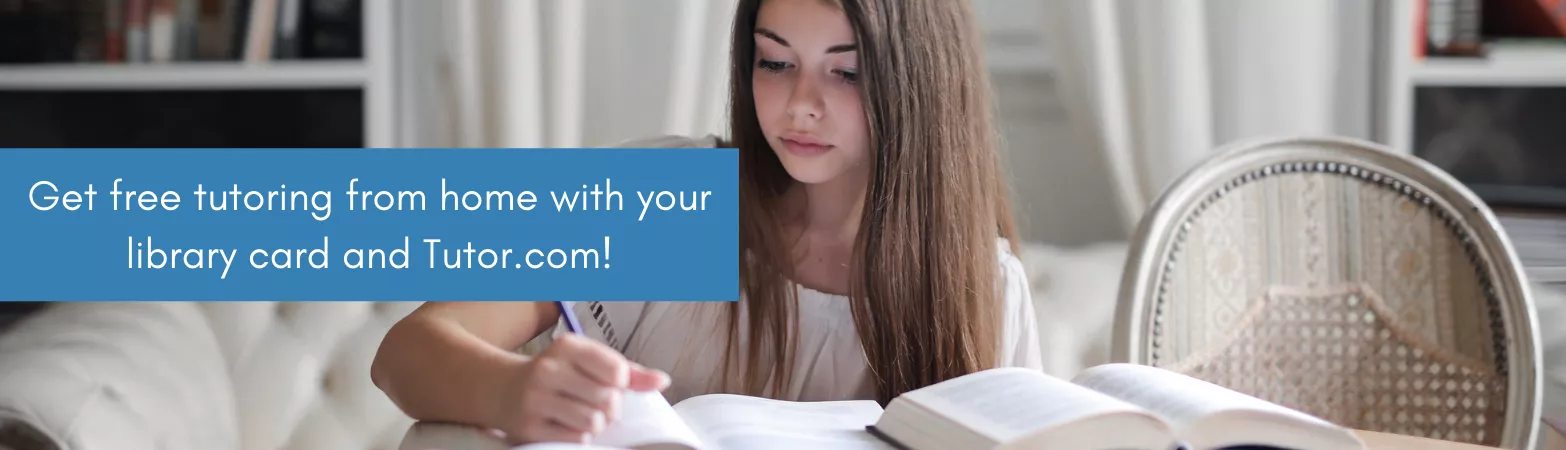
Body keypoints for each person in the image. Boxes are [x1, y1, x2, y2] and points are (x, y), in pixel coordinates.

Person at [370, 0, 1042, 444]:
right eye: (774, 62)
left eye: (846, 74)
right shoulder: (667, 202)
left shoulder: (981, 287)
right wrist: (514, 390)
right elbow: (407, 352)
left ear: (916, 85)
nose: (799, 105)